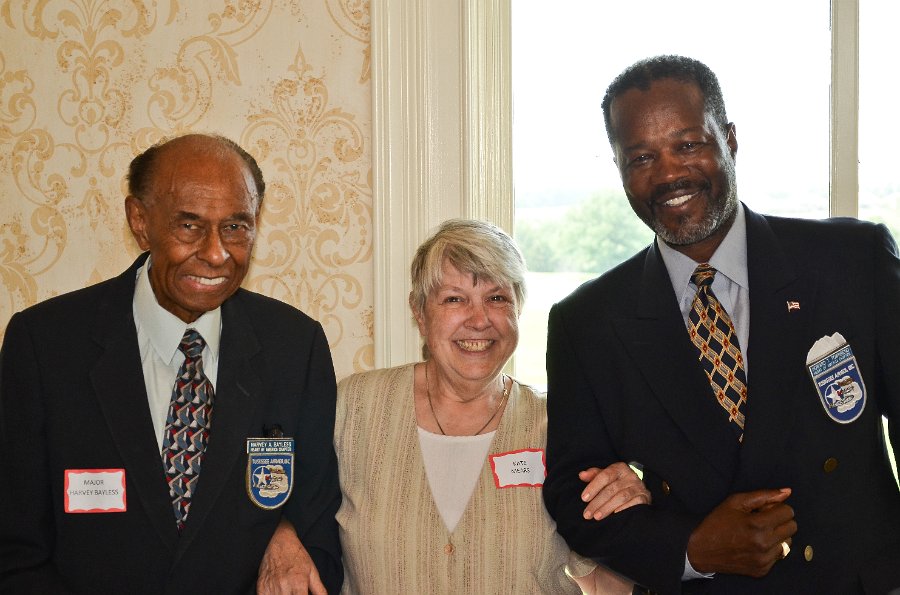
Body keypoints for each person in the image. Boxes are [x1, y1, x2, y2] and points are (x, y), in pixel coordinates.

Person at [542, 54, 900, 595]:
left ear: (730, 140)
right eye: (641, 157)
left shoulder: (852, 261)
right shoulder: (587, 322)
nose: (668, 173)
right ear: (619, 168)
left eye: (688, 145)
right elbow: (576, 497)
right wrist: (690, 549)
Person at [0, 133, 342, 593]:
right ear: (140, 222)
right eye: (189, 226)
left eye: (235, 227)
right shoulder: (46, 345)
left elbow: (320, 538)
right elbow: (16, 549)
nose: (216, 253)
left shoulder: (295, 347)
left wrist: (283, 529)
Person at [258, 219, 649, 594]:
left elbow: (604, 580)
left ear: (518, 310)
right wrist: (278, 534)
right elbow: (283, 498)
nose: (479, 320)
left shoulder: (560, 423)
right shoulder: (354, 407)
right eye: (454, 299)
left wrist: (633, 508)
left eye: (497, 298)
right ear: (419, 313)